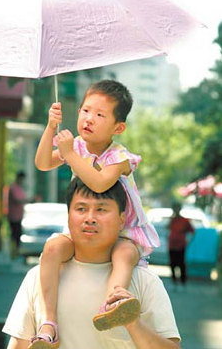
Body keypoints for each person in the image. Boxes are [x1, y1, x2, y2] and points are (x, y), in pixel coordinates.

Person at [33, 80, 160, 347]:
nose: (89, 119)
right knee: (53, 248)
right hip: (87, 230)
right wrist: (50, 128)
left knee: (124, 254)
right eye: (85, 110)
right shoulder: (77, 146)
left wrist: (69, 154)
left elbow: (100, 183)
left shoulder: (120, 157)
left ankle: (113, 303)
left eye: (100, 115)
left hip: (123, 231)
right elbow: (43, 162)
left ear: (118, 127)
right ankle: (49, 322)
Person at [3, 177, 180, 349]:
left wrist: (134, 324)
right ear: (68, 217)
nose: (90, 218)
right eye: (81, 209)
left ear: (121, 220)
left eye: (101, 210)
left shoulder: (145, 281)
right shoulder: (40, 277)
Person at [168, 202, 195, 288]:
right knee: (172, 263)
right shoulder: (172, 220)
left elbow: (192, 231)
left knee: (181, 264)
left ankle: (183, 282)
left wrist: (188, 241)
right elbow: (167, 228)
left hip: (181, 245)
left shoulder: (185, 220)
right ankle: (174, 282)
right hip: (172, 245)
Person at [7, 171, 28, 258]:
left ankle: (16, 252)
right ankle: (13, 252)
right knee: (14, 234)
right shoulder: (13, 188)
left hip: (19, 216)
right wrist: (28, 200)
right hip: (13, 216)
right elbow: (17, 200)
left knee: (18, 234)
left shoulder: (20, 188)